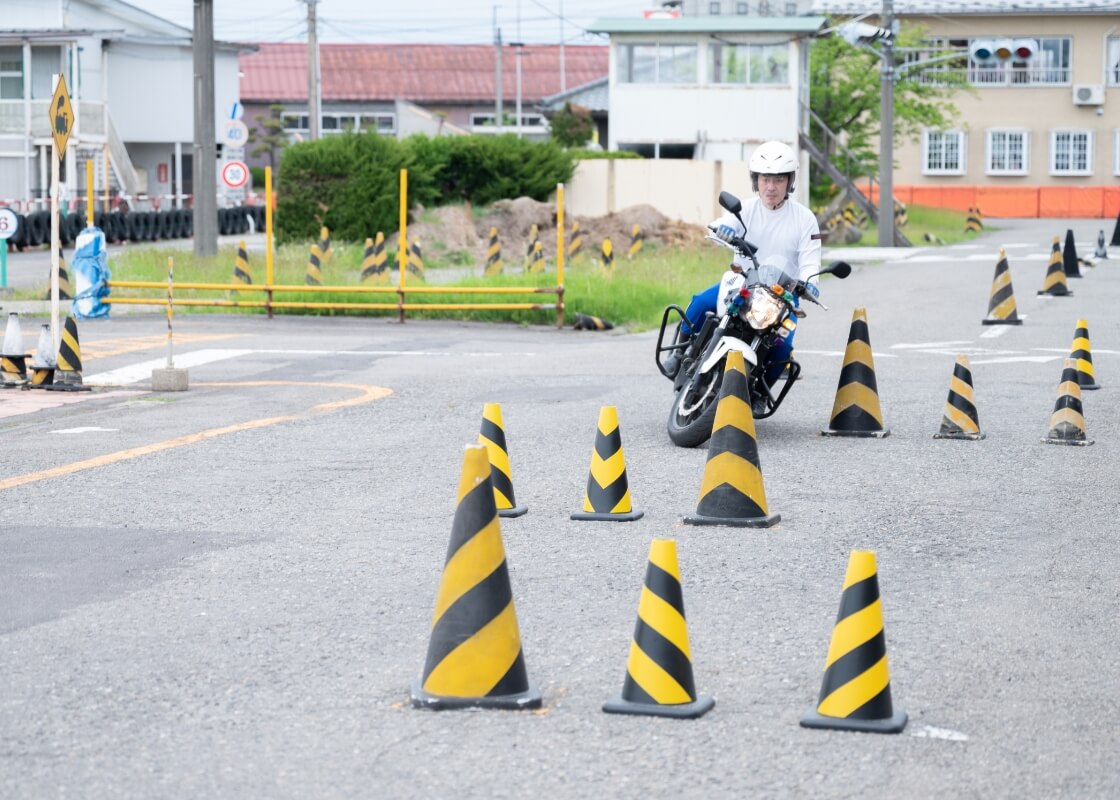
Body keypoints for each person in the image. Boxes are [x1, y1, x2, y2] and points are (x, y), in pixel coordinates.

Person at [668, 140, 822, 389]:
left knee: (784, 346)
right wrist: (723, 229)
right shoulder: (745, 209)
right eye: (765, 179)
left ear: (790, 181)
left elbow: (810, 259)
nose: (771, 187)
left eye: (779, 180)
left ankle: (761, 391)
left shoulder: (804, 219)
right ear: (756, 180)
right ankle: (678, 353)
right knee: (700, 303)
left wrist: (811, 283)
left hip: (781, 297)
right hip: (742, 285)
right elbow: (722, 225)